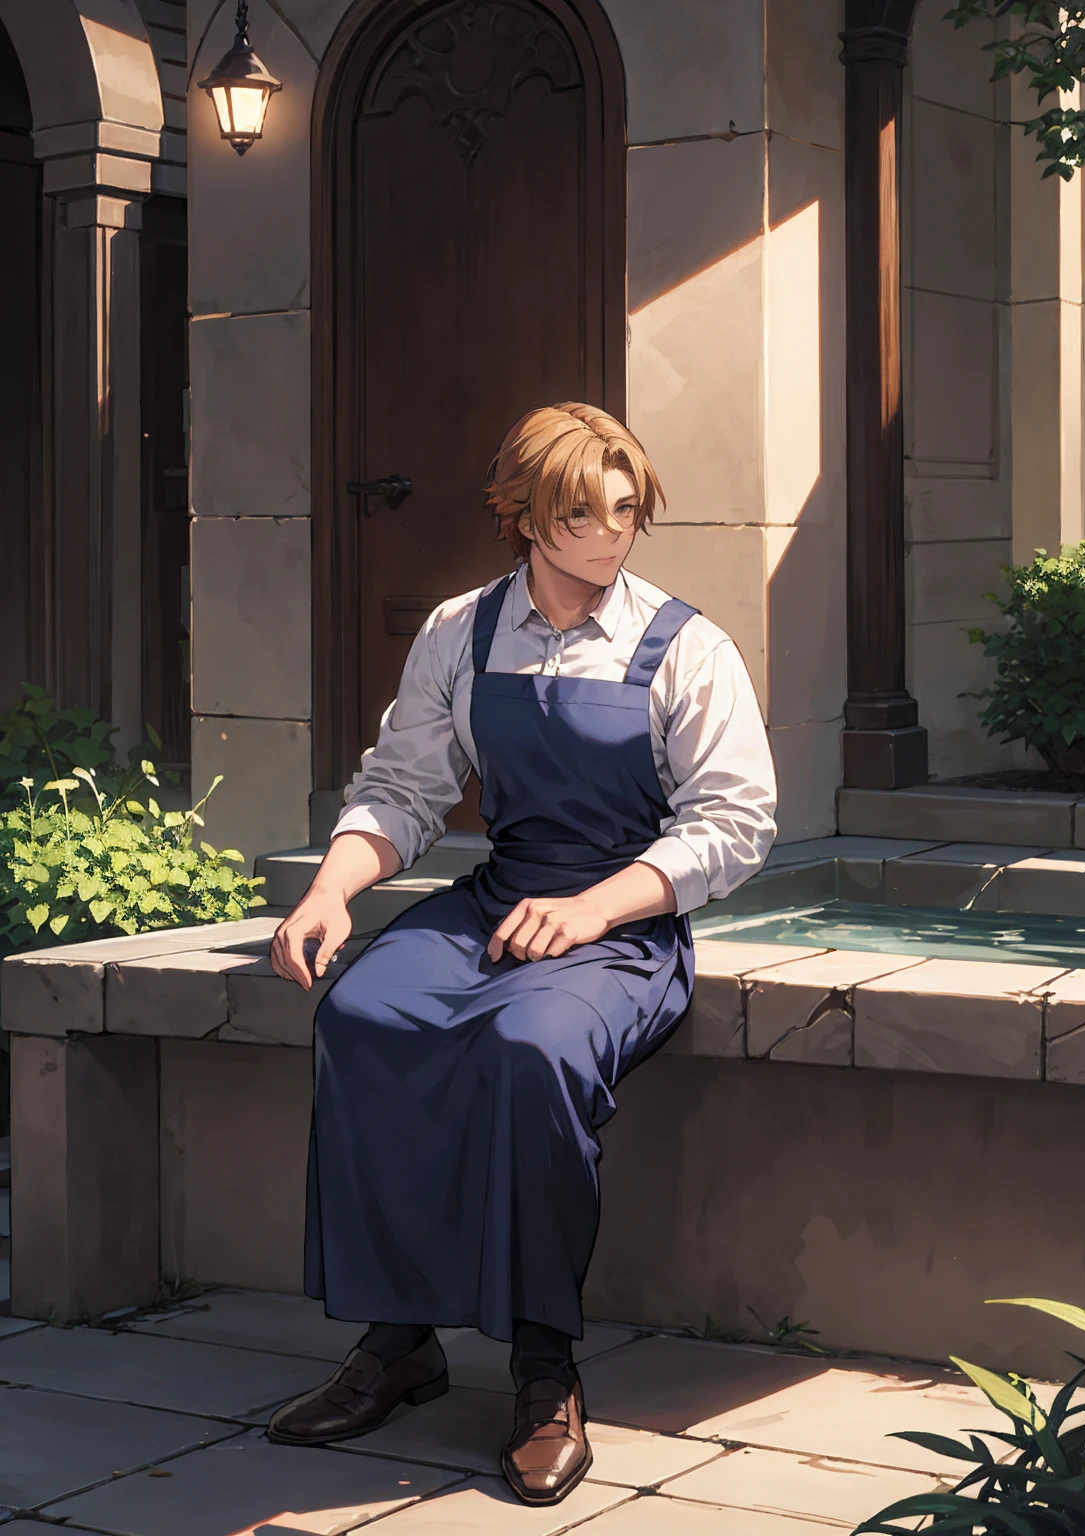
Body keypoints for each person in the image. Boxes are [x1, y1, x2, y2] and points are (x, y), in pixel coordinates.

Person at [266, 402, 777, 1505]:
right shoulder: (463, 629)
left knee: (530, 1051)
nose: (611, 536)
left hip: (624, 926)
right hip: (498, 898)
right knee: (362, 1017)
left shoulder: (687, 647)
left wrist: (597, 909)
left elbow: (734, 824)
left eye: (628, 511)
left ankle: (546, 1372)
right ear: (527, 517)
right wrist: (330, 891)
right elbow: (402, 788)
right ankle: (398, 1342)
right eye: (584, 514)